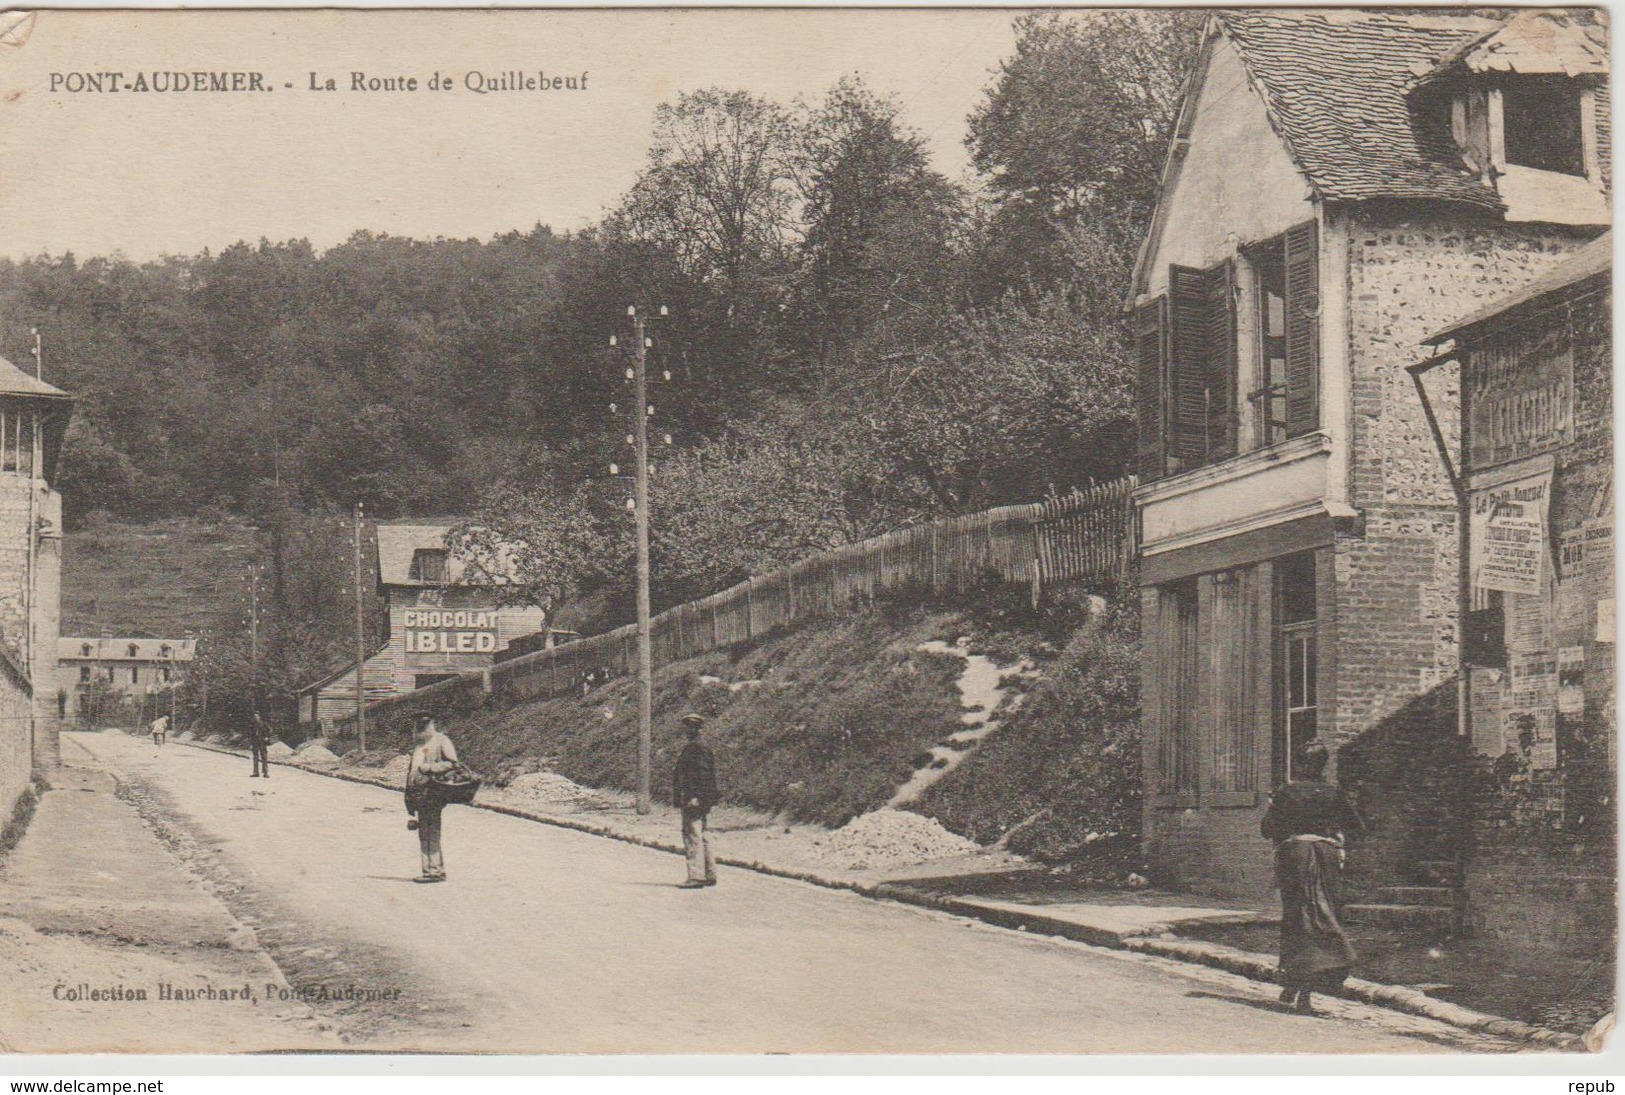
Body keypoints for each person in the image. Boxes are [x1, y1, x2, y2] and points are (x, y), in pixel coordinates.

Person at [1260, 738, 1366, 1014]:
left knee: (1297, 918)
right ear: (1323, 765)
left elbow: (1268, 829)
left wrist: (1276, 807)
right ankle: (1302, 988)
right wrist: (1336, 835)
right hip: (1326, 857)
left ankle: (1295, 985)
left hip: (1295, 857)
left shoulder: (1286, 793)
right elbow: (1356, 826)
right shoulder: (1334, 793)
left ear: (1300, 763)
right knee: (1322, 915)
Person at [404, 713, 458, 883]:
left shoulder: (441, 740)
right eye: (418, 725)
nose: (420, 728)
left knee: (431, 831)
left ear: (432, 724)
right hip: (419, 794)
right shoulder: (419, 744)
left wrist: (430, 768)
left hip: (433, 792)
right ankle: (431, 870)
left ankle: (434, 871)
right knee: (424, 832)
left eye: (424, 724)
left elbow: (452, 763)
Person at [672, 713, 719, 889]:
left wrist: (695, 797)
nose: (684, 731)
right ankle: (709, 873)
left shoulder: (696, 748)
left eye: (686, 727)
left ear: (693, 728)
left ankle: (696, 876)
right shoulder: (701, 746)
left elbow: (701, 775)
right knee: (703, 834)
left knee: (692, 835)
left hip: (695, 798)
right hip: (702, 798)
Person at [248, 712, 272, 778]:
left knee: (264, 757)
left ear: (259, 717)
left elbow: (270, 731)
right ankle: (256, 773)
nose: (255, 718)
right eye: (254, 716)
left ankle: (265, 773)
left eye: (257, 716)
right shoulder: (252, 725)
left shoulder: (264, 724)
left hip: (262, 742)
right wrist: (250, 744)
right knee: (255, 757)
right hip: (255, 743)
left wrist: (267, 737)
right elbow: (250, 735)